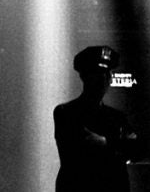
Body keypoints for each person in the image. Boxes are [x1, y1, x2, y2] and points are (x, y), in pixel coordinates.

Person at [54, 45, 138, 192]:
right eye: (99, 72)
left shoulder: (117, 117)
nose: (105, 78)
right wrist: (117, 145)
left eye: (108, 73)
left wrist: (105, 143)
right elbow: (79, 153)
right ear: (84, 76)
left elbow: (137, 148)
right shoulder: (66, 113)